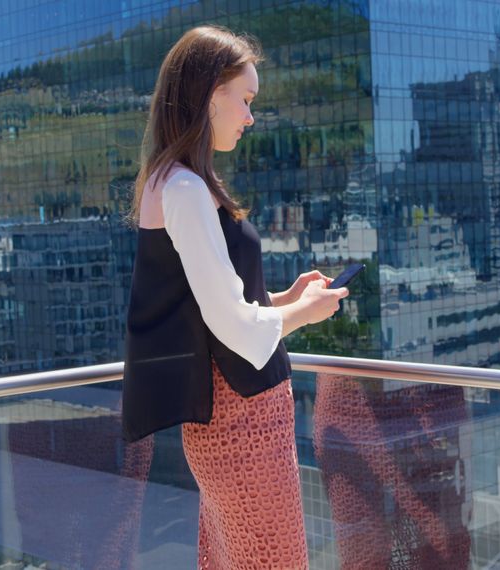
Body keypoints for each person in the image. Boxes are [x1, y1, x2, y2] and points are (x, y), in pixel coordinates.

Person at [122, 25, 348, 569]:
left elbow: (211, 303)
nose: (250, 117)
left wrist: (280, 297)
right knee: (273, 560)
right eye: (244, 100)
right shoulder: (183, 187)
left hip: (231, 417)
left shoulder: (171, 181)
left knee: (236, 557)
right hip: (241, 419)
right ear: (206, 92)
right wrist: (305, 311)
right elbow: (230, 324)